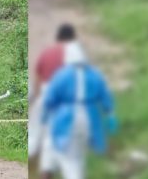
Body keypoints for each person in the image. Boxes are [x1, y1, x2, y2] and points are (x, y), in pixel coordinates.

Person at [41, 42, 117, 179]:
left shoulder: (62, 75)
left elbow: (50, 98)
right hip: (91, 117)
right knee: (80, 156)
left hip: (68, 118)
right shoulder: (94, 75)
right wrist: (110, 114)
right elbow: (105, 96)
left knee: (69, 158)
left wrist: (45, 115)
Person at [29, 24, 77, 158]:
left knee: (35, 128)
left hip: (45, 91)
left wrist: (38, 96)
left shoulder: (47, 52)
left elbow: (38, 76)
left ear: (58, 37)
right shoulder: (73, 54)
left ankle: (32, 154)